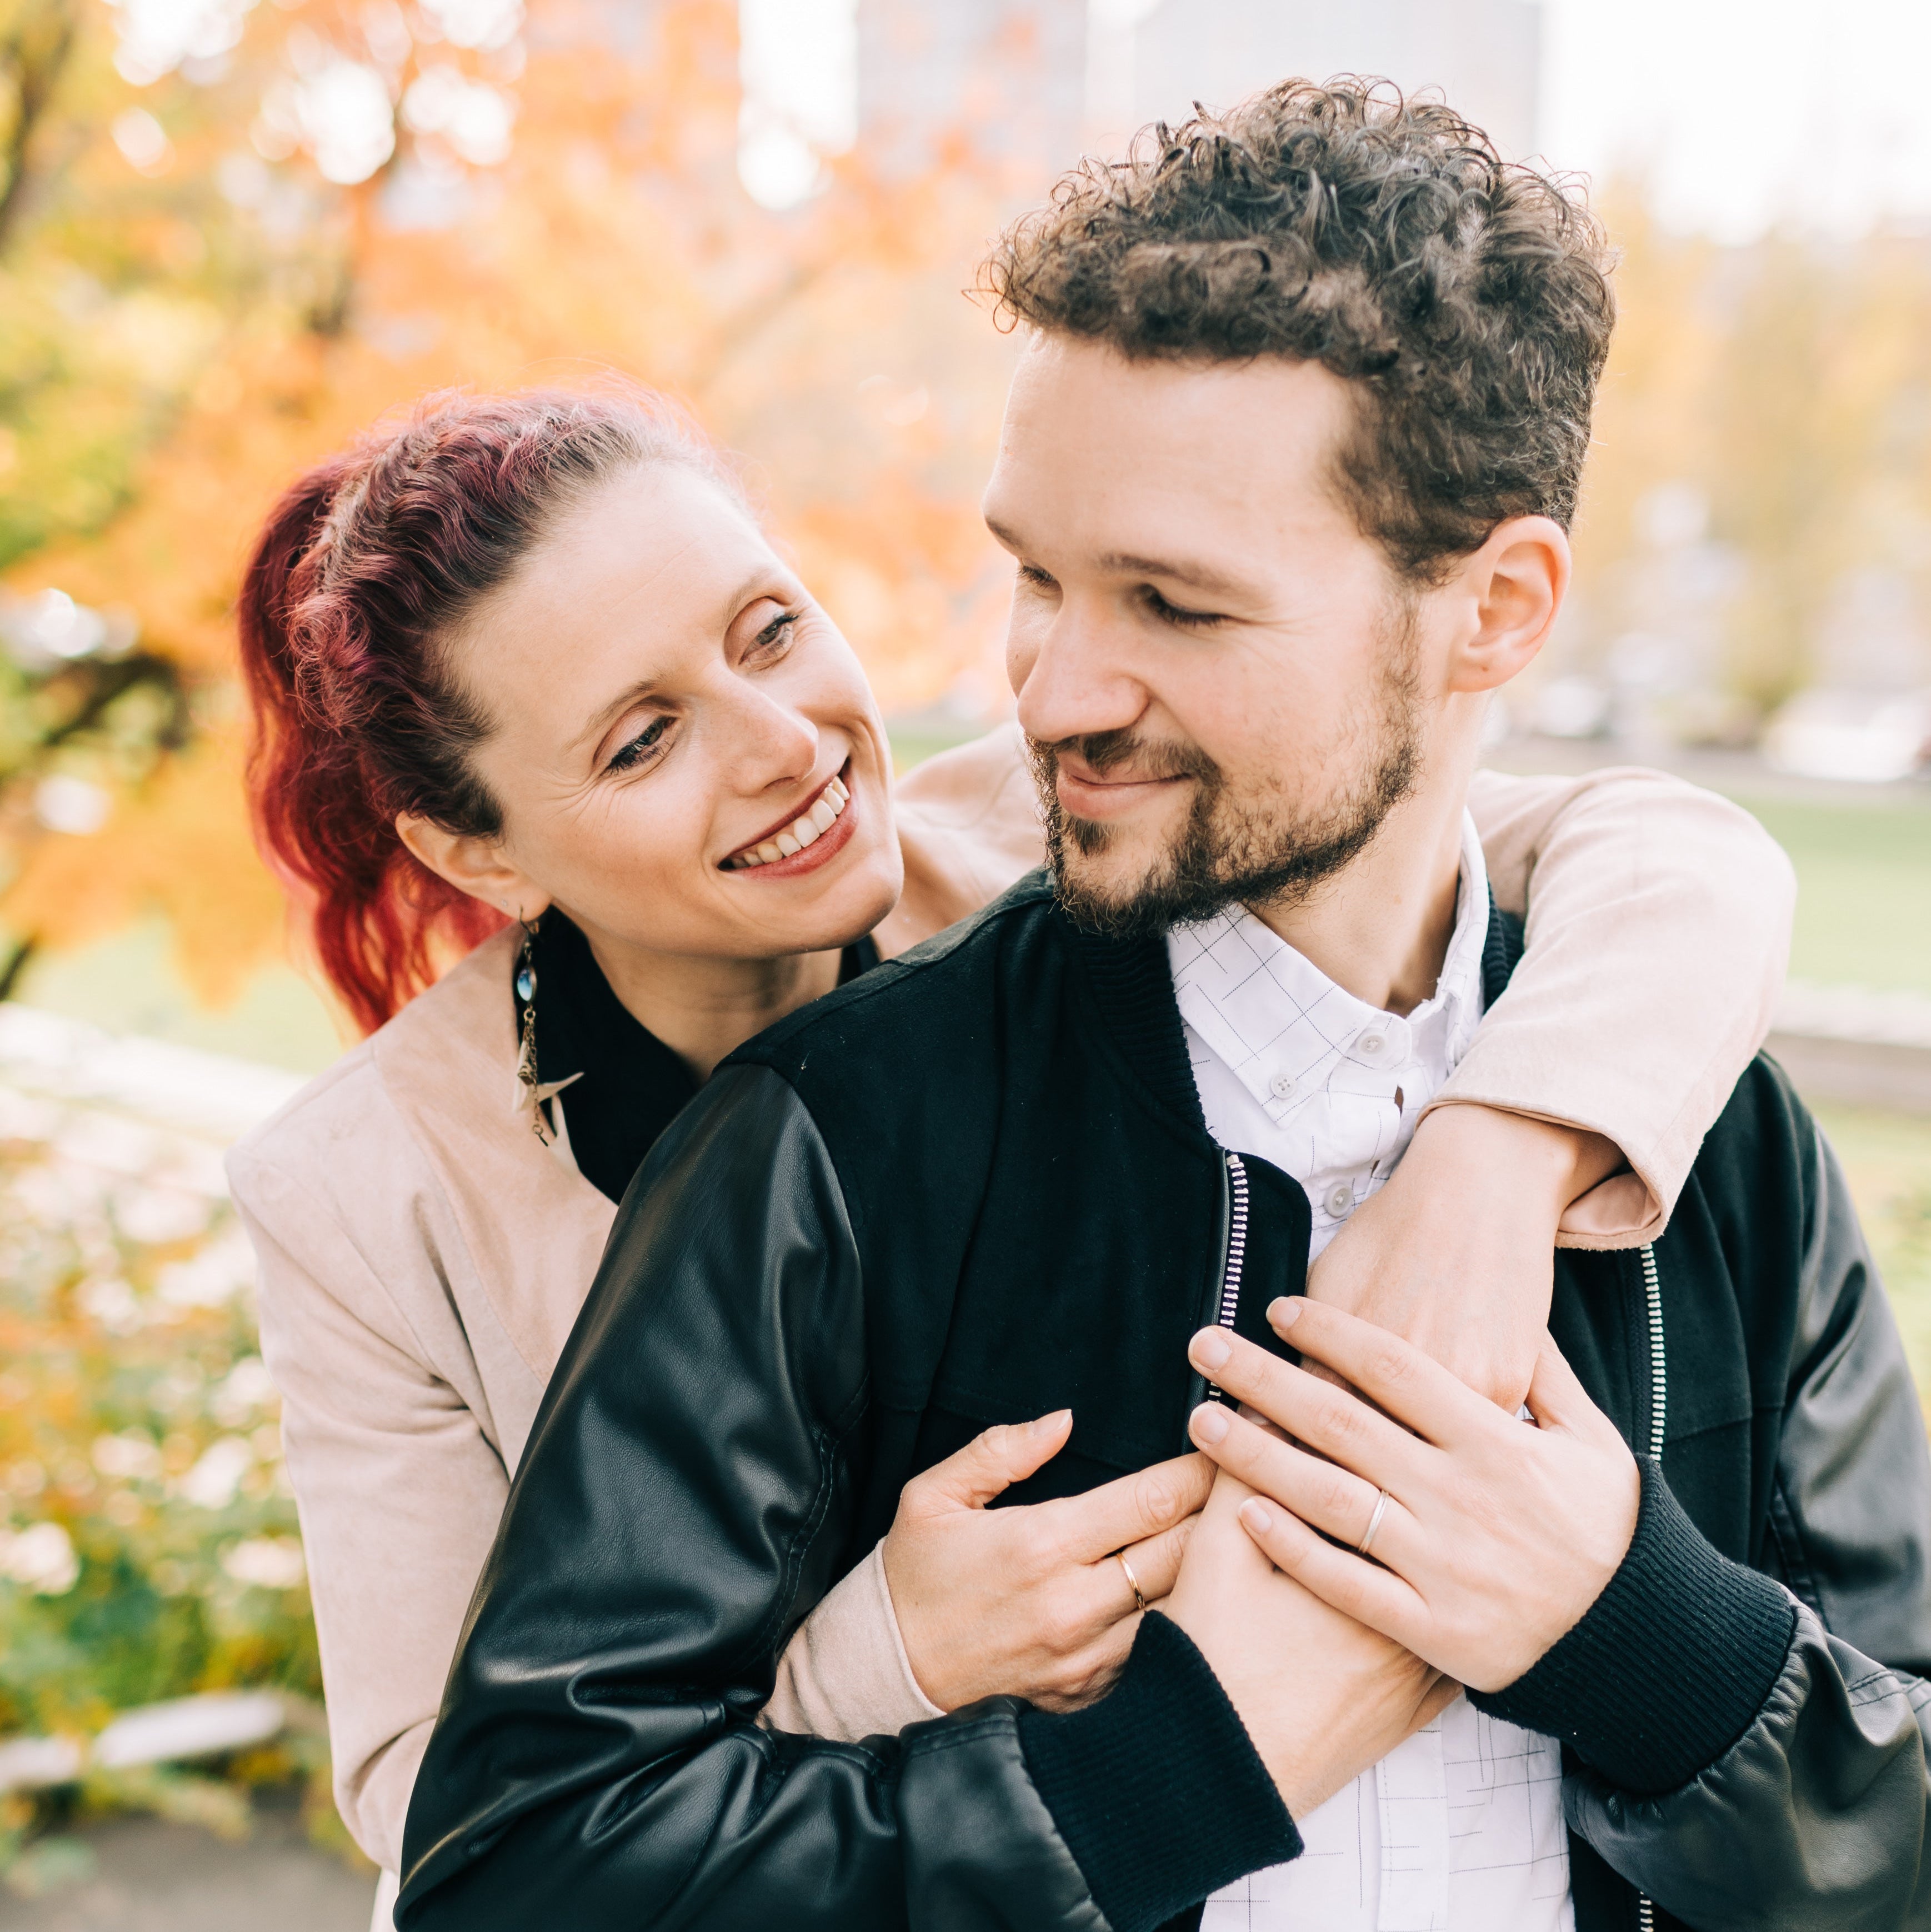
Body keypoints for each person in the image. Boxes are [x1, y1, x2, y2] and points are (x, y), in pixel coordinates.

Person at [391, 80, 1931, 1932]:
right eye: (1034, 578)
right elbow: (520, 1879)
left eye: (1174, 607)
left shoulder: (1721, 1148)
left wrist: (1636, 1634)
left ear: (1497, 610)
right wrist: (1156, 1781)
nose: (1050, 693)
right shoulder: (826, 1152)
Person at [229, 387, 1793, 1923]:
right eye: (644, 740)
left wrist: (1493, 1166)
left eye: (768, 633)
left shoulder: (1054, 838)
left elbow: (1670, 857)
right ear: (477, 848)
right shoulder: (363, 1192)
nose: (783, 743)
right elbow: (445, 1814)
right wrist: (890, 1654)